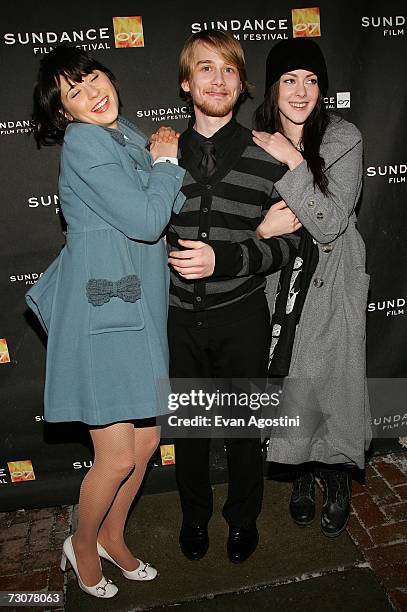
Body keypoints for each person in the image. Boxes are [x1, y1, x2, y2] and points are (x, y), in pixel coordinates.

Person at [26, 46, 185, 598]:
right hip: (104, 316)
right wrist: (165, 163)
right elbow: (147, 219)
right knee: (116, 454)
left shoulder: (123, 134)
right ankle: (82, 542)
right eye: (75, 91)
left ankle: (114, 537)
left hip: (137, 310)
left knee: (144, 448)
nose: (93, 91)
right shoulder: (86, 143)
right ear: (64, 113)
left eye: (93, 76)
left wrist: (161, 160)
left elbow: (173, 199)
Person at [166, 30, 300, 564]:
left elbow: (291, 243)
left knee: (246, 433)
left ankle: (243, 520)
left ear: (242, 85)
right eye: (205, 68)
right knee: (191, 435)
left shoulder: (267, 157)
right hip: (176, 320)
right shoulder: (159, 156)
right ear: (186, 81)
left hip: (242, 315)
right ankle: (193, 517)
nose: (217, 80)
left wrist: (228, 257)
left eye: (227, 70)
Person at [253, 37, 371, 538]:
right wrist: (260, 232)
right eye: (289, 79)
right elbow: (238, 224)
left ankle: (336, 475)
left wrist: (294, 161)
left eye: (311, 80)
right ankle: (301, 472)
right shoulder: (251, 143)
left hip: (334, 275)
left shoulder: (344, 138)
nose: (301, 91)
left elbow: (327, 222)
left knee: (336, 383)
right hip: (280, 280)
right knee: (295, 379)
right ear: (272, 87)